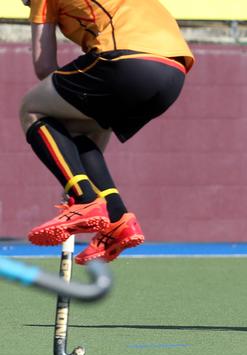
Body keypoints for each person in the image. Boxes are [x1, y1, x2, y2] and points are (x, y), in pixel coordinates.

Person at [19, 0, 194, 264]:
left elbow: (44, 67)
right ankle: (117, 218)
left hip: (127, 62)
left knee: (32, 108)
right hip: (173, 75)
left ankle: (84, 199)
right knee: (83, 129)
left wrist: (73, 181)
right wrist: (72, 163)